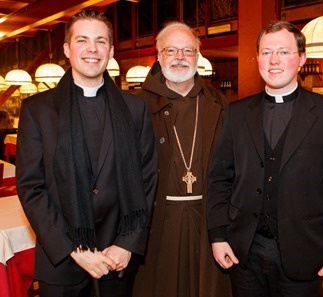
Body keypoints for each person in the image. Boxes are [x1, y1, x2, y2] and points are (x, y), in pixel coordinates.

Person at [207, 21, 323, 297]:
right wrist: (218, 235)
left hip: (304, 253)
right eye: (266, 53)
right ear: (257, 59)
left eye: (284, 52)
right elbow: (220, 179)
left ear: (302, 58)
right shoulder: (237, 113)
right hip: (244, 252)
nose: (274, 60)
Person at [16, 10, 158, 297]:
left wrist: (127, 243)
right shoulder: (38, 109)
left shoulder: (135, 109)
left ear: (111, 50)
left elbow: (147, 179)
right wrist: (74, 249)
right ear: (67, 49)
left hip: (116, 257)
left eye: (101, 41)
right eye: (82, 40)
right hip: (62, 260)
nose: (92, 49)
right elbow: (32, 187)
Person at [132, 21, 231, 297]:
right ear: (158, 56)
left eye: (187, 51)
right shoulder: (136, 105)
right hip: (157, 223)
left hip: (208, 220)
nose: (179, 57)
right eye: (171, 50)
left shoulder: (218, 102)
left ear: (198, 57)